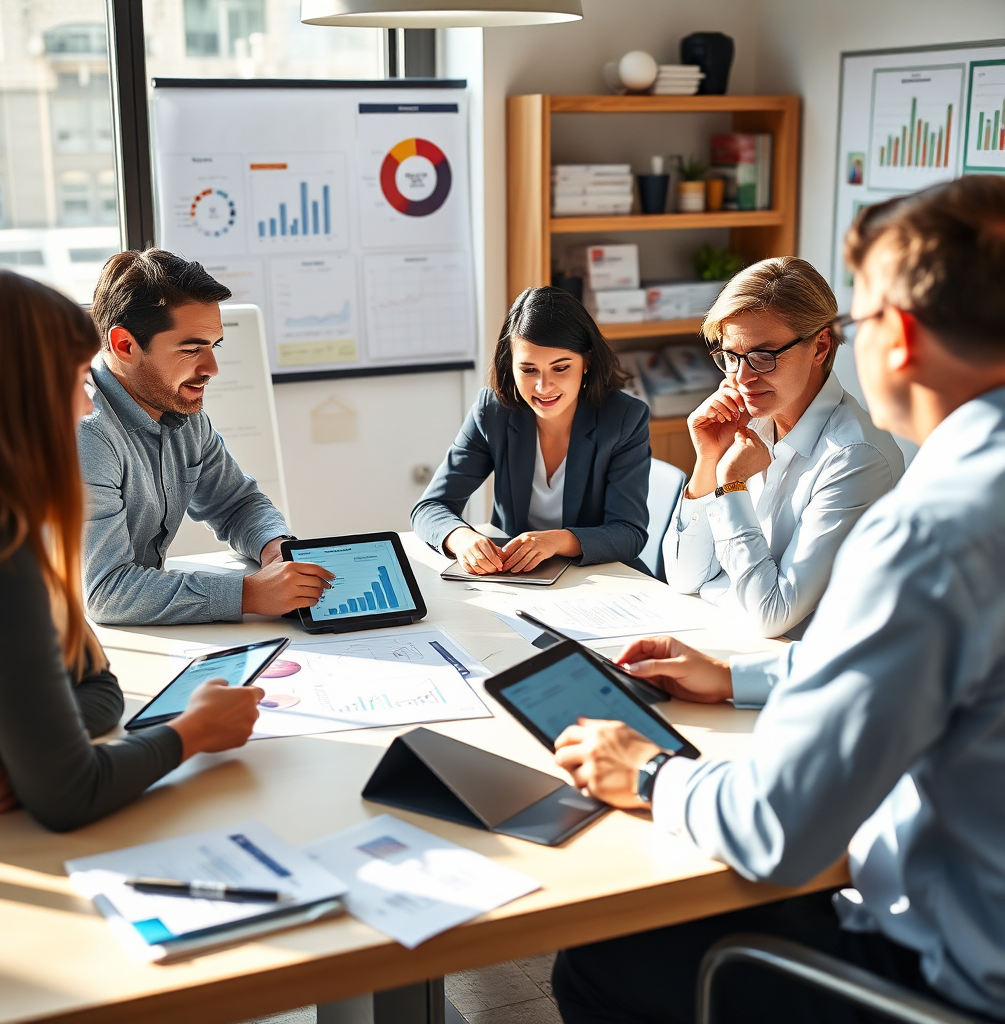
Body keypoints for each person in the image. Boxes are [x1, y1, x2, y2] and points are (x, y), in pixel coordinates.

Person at [551, 174, 1005, 1023]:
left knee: (600, 957)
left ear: (893, 336)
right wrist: (739, 680)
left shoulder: (930, 528)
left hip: (946, 983)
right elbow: (930, 664)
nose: (744, 371)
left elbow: (780, 831)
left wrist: (647, 771)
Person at [0, 269, 264, 832]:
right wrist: (193, 731)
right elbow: (70, 796)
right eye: (68, 380)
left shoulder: (11, 530)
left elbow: (100, 688)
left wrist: (34, 751)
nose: (84, 407)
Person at [80, 249, 332, 625]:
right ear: (125, 346)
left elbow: (236, 504)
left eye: (214, 346)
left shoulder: (179, 408)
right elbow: (109, 593)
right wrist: (250, 593)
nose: (211, 368)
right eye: (191, 349)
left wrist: (276, 547)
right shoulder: (87, 432)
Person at [663, 256, 903, 638]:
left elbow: (772, 616)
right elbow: (683, 577)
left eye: (762, 356)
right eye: (730, 357)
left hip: (786, 662)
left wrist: (732, 482)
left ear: (820, 346)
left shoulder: (855, 457)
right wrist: (708, 462)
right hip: (712, 630)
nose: (741, 378)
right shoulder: (745, 422)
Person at [412, 286, 651, 574]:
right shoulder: (493, 411)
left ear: (586, 362)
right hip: (517, 577)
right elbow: (430, 507)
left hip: (600, 576)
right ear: (510, 366)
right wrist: (461, 538)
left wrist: (557, 541)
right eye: (528, 370)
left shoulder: (624, 418)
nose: (543, 387)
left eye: (560, 368)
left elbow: (628, 533)